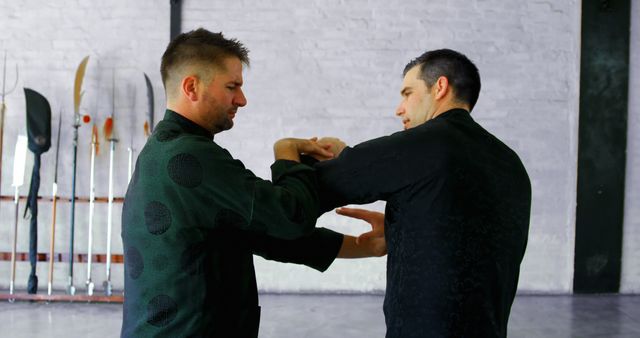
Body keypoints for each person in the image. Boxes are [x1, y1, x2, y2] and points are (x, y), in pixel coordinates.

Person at [120, 28, 385, 338]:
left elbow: (257, 228)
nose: (242, 100)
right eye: (232, 87)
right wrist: (285, 152)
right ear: (191, 87)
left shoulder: (164, 151)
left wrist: (363, 245)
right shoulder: (190, 155)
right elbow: (290, 215)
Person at [313, 49, 532, 337]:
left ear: (439, 87)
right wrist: (398, 228)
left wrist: (289, 152)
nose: (399, 108)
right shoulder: (509, 162)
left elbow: (321, 185)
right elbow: (464, 235)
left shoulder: (421, 145)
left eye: (407, 93)